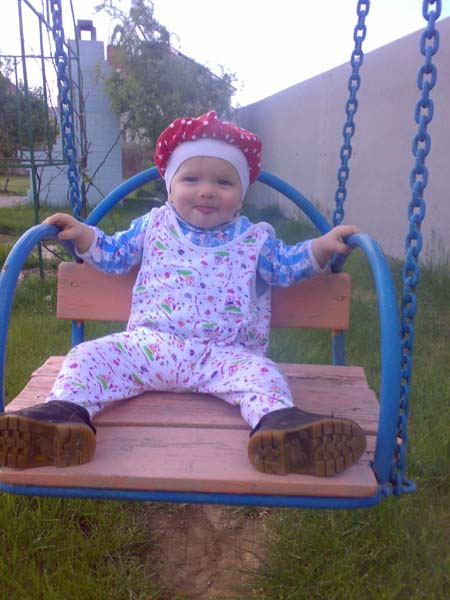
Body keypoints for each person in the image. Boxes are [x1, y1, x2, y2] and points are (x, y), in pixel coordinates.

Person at [0, 110, 366, 476]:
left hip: (224, 355)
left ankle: (281, 429)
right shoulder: (154, 224)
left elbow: (285, 265)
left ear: (241, 196)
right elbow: (116, 254)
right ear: (170, 188)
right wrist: (84, 236)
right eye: (191, 178)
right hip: (150, 348)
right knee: (87, 357)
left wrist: (321, 248)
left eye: (224, 182)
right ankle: (61, 417)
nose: (207, 190)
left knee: (263, 375)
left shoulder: (254, 238)